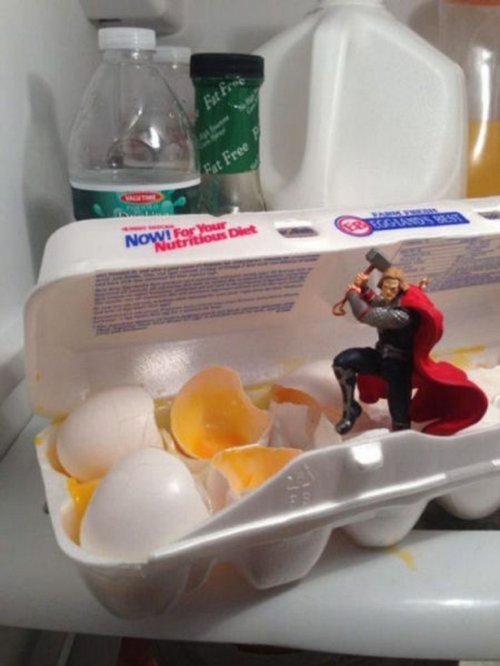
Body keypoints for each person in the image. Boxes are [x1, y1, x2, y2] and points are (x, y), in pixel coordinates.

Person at [332, 264, 488, 436]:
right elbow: (377, 302)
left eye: (392, 289)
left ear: (400, 289)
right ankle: (350, 408)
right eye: (385, 288)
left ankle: (402, 439)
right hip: (380, 357)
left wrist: (352, 294)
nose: (387, 292)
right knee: (343, 362)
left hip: (398, 368)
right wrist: (363, 288)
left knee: (400, 420)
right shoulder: (390, 301)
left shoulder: (402, 315)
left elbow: (367, 315)